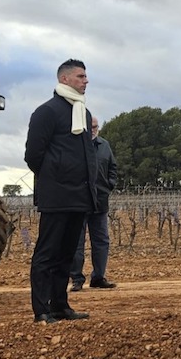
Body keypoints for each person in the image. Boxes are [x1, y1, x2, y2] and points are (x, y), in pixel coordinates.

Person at [24, 59, 98, 323]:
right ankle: (41, 309)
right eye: (80, 76)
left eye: (86, 77)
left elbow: (88, 156)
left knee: (67, 254)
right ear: (64, 79)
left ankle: (60, 305)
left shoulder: (84, 114)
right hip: (56, 196)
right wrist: (55, 175)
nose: (85, 81)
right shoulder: (47, 112)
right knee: (47, 253)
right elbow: (33, 155)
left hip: (79, 197)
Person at [69, 116, 118, 291]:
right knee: (76, 241)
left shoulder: (104, 145)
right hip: (79, 202)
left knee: (101, 240)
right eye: (91, 127)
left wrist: (108, 186)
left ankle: (98, 277)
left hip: (100, 201)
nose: (94, 131)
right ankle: (76, 279)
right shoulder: (74, 145)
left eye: (96, 127)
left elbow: (113, 168)